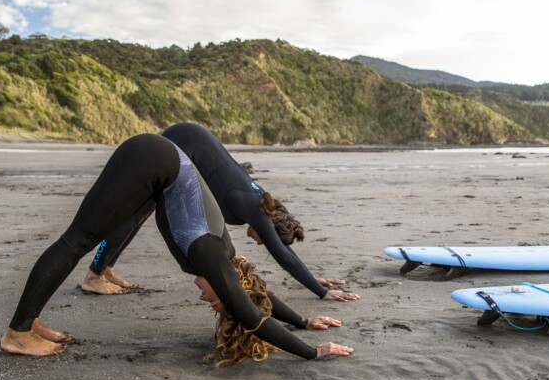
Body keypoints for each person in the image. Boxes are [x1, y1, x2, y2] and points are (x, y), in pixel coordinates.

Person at [0, 133, 353, 360]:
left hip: (158, 166)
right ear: (227, 285)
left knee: (91, 237)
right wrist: (313, 352)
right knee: (76, 241)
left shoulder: (226, 259)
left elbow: (259, 295)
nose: (205, 301)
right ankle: (17, 333)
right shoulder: (211, 256)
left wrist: (304, 320)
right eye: (216, 301)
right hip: (152, 159)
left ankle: (30, 323)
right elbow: (251, 314)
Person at [80, 122, 359, 302]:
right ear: (270, 226)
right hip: (179, 142)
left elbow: (285, 251)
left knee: (142, 212)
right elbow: (283, 256)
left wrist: (312, 277)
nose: (258, 241)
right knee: (136, 212)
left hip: (190, 139)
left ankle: (106, 268)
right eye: (264, 238)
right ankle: (94, 277)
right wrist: (322, 291)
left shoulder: (261, 202)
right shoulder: (255, 209)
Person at [200, 255, 344, 367]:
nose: (202, 297)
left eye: (211, 300)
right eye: (212, 301)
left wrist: (304, 324)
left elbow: (256, 297)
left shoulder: (211, 256)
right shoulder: (212, 255)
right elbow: (254, 313)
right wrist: (313, 351)